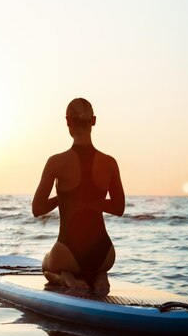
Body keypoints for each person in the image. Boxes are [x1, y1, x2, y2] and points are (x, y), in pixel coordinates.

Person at [32, 98, 125, 295]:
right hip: (105, 254)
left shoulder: (56, 162)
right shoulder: (109, 163)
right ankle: (99, 274)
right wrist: (97, 203)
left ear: (67, 121)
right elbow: (119, 208)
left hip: (67, 253)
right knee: (95, 265)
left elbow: (37, 209)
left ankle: (63, 276)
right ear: (94, 121)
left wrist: (62, 198)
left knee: (45, 265)